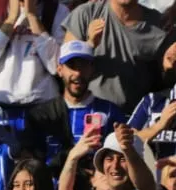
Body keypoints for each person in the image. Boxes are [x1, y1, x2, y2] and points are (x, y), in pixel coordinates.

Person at [25, 40, 126, 175]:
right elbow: (33, 162)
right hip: (53, 183)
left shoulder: (110, 112)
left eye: (83, 66)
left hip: (96, 184)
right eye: (71, 66)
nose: (78, 73)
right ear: (60, 70)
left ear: (92, 69)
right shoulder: (40, 114)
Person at [63, 0, 168, 111]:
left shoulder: (160, 24)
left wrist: (168, 66)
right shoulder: (87, 13)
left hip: (136, 116)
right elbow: (65, 67)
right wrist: (90, 45)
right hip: (89, 113)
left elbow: (169, 78)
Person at [0, 0, 65, 118]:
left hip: (41, 105)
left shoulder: (58, 10)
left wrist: (32, 17)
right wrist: (11, 18)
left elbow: (57, 67)